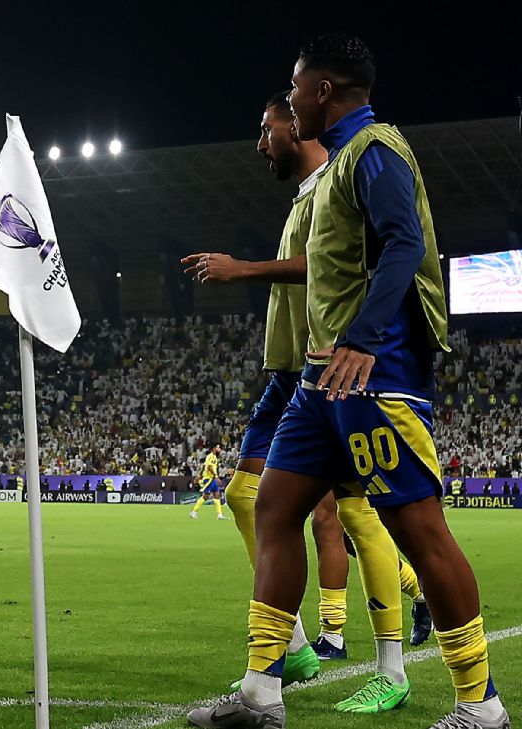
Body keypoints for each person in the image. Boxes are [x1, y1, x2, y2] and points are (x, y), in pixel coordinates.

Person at [189, 35, 508, 729]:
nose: (290, 101)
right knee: (272, 507)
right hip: (320, 379)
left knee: (420, 532)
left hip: (376, 372)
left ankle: (480, 706)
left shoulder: (377, 150)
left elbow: (406, 243)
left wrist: (363, 337)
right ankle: (259, 695)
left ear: (323, 90)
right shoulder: (337, 168)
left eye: (295, 89)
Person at [184, 86, 431, 714]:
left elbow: (336, 264)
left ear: (298, 125)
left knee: (359, 517)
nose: (261, 141)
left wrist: (244, 269)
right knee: (251, 497)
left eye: (269, 127)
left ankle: (393, 668)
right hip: (292, 372)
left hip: (329, 370)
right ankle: (285, 651)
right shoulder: (305, 191)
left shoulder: (338, 177)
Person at [189, 445, 228, 519]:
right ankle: (194, 512)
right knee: (205, 496)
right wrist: (216, 476)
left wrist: (199, 475)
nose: (219, 449)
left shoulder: (214, 457)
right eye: (217, 447)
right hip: (209, 479)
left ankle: (219, 514)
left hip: (213, 479)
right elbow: (209, 467)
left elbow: (204, 466)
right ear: (213, 448)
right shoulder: (210, 456)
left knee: (217, 496)